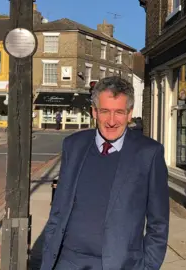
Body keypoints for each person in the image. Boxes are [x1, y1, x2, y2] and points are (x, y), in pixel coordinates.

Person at [40, 76, 169, 270]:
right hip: (67, 261)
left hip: (119, 264)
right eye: (105, 111)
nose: (111, 121)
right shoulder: (73, 145)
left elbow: (158, 224)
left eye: (119, 112)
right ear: (94, 112)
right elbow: (58, 209)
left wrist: (148, 267)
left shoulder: (149, 153)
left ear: (129, 113)